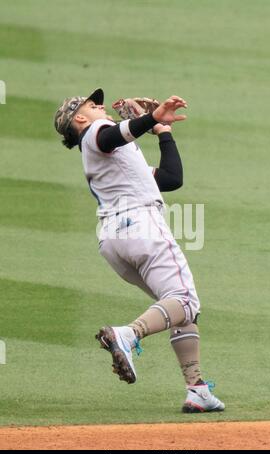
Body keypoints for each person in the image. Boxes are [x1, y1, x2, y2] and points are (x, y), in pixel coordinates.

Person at [54, 88, 225, 413]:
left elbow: (172, 178)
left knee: (178, 304)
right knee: (185, 300)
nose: (101, 106)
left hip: (114, 241)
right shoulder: (94, 134)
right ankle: (128, 334)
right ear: (80, 118)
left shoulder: (115, 162)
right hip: (141, 228)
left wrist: (162, 130)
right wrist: (150, 117)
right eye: (93, 104)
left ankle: (197, 389)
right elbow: (113, 135)